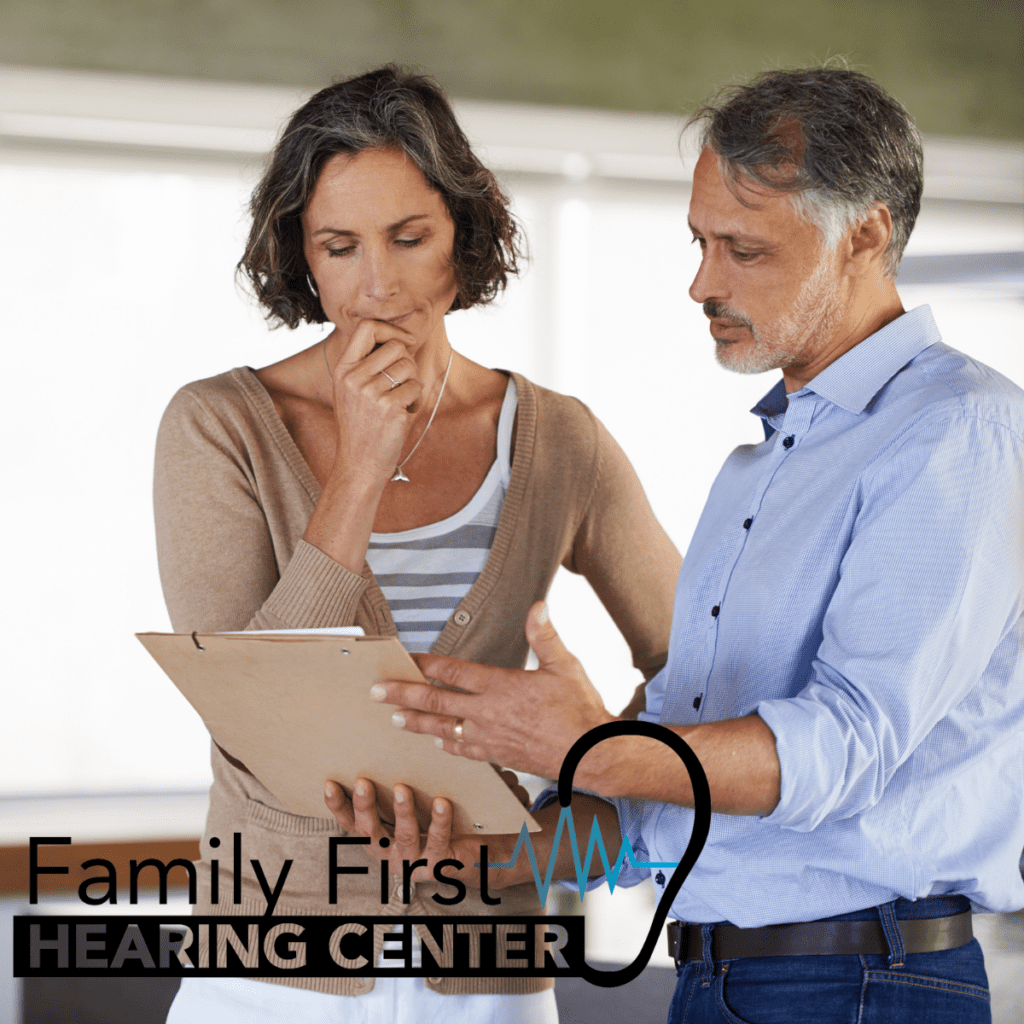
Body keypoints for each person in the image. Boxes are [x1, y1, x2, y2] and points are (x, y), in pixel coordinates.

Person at [347, 67, 1024, 1022]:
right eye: (701, 242)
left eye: (743, 248)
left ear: (865, 234)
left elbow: (842, 748)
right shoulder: (759, 469)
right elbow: (662, 811)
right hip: (719, 979)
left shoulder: (957, 431)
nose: (701, 282)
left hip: (856, 983)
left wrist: (590, 747)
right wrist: (486, 860)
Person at [154, 66, 681, 1023]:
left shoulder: (559, 438)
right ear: (302, 260)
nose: (380, 284)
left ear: (463, 238)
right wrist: (358, 470)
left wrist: (574, 817)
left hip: (490, 966)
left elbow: (703, 670)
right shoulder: (218, 425)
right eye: (341, 246)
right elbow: (247, 710)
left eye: (410, 237)